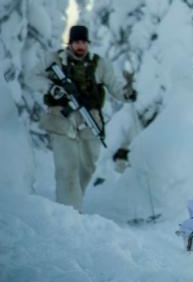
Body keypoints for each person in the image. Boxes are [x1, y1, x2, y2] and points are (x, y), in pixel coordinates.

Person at [40, 25, 137, 211]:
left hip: (89, 120)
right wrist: (52, 88)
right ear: (70, 44)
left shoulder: (99, 64)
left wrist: (127, 93)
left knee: (88, 166)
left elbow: (115, 86)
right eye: (76, 42)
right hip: (61, 118)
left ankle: (73, 204)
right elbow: (32, 78)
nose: (80, 46)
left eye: (83, 42)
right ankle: (68, 212)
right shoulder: (55, 60)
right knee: (67, 168)